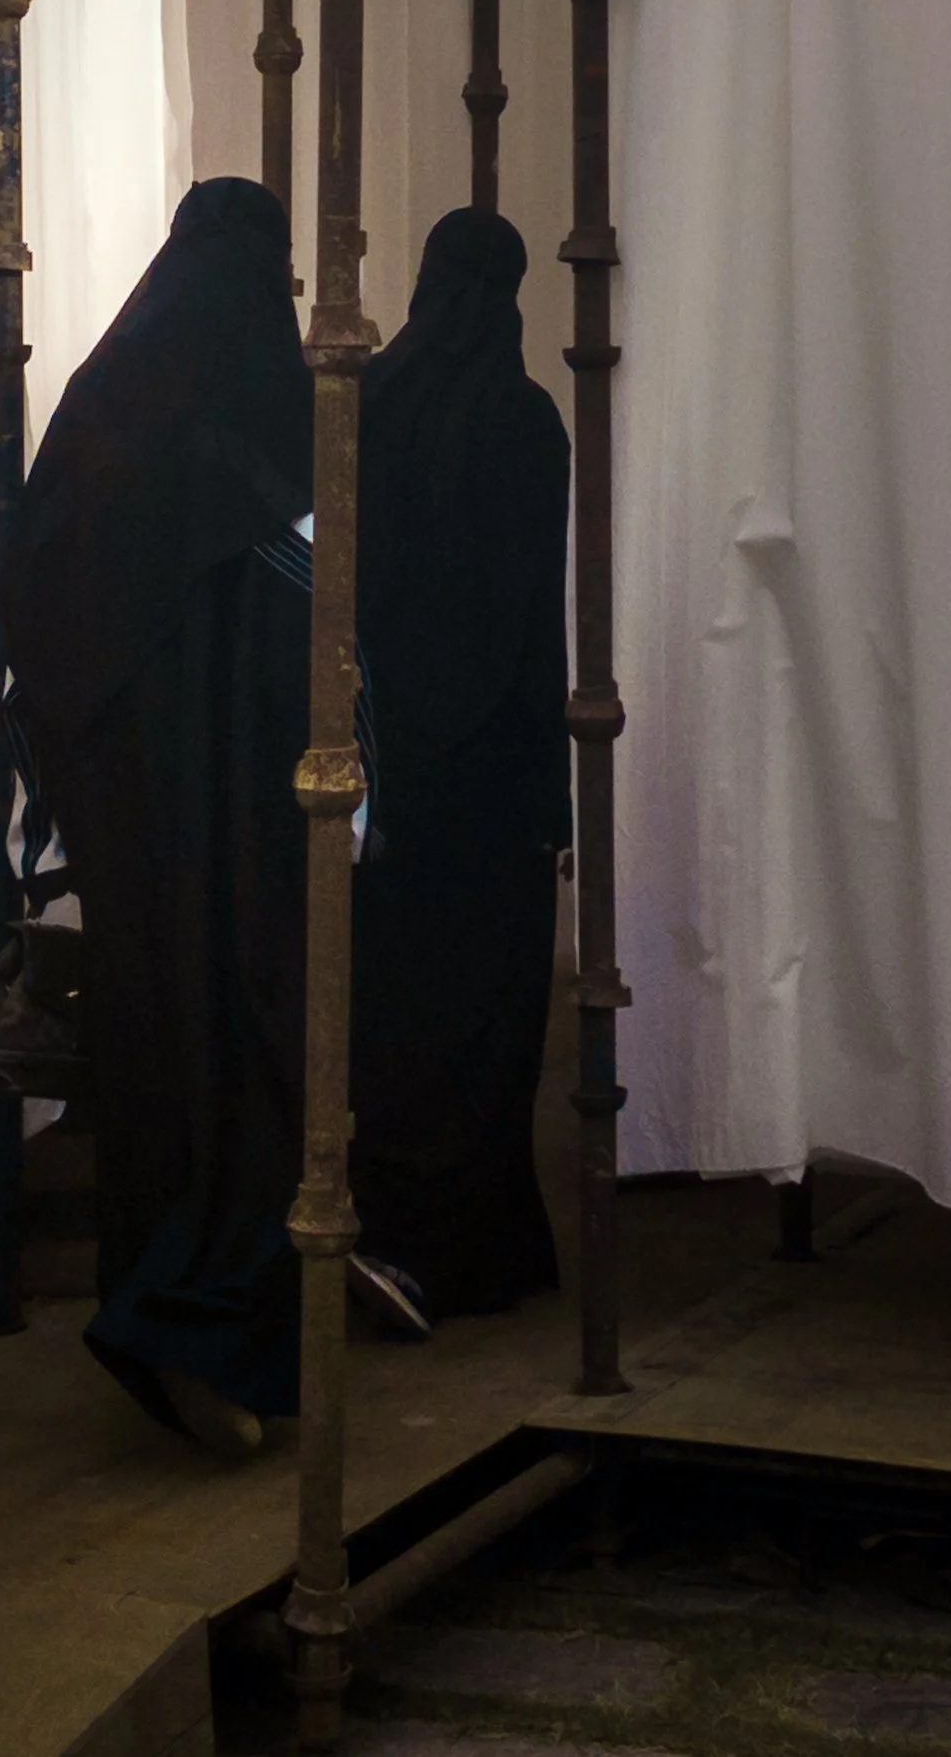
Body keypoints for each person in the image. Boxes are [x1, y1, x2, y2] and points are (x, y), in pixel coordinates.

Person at [0, 177, 312, 1459]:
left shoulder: (104, 402)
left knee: (152, 1060)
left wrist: (85, 784)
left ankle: (157, 1314)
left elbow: (36, 614)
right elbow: (312, 620)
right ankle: (209, 1332)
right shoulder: (272, 409)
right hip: (246, 828)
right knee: (252, 1054)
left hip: (131, 830)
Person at [348, 206, 571, 1335]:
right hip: (489, 785)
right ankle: (472, 1248)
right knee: (487, 1018)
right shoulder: (523, 421)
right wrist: (552, 791)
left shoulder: (365, 404)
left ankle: (383, 1225)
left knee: (391, 1010)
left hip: (388, 769)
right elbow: (534, 625)